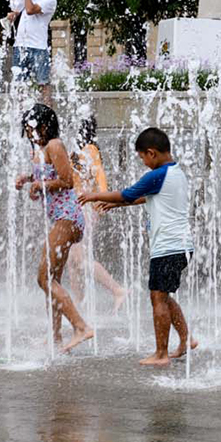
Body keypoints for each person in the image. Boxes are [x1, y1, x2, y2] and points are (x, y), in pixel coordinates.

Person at [81, 127, 198, 366]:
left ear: (151, 153)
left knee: (157, 298)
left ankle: (161, 354)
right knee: (164, 296)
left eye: (142, 157)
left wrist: (95, 196)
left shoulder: (156, 175)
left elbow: (128, 193)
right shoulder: (176, 173)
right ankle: (186, 340)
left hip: (168, 247)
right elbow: (149, 197)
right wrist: (117, 206)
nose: (143, 162)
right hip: (181, 246)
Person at [14, 103, 94, 353]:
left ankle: (81, 327)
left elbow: (67, 180)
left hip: (67, 217)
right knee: (54, 279)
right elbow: (49, 178)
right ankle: (55, 336)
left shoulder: (54, 145)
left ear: (44, 126)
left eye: (31, 128)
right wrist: (30, 181)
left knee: (43, 277)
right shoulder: (41, 150)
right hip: (60, 217)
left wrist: (40, 185)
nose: (28, 133)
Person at [69, 117, 128, 313]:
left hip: (86, 208)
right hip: (77, 208)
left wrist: (103, 197)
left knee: (79, 257)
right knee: (73, 260)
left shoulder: (89, 149)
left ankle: (117, 289)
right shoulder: (76, 152)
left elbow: (100, 174)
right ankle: (78, 305)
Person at [13, 0, 58, 100]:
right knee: (20, 86)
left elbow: (30, 10)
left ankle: (48, 116)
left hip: (38, 47)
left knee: (43, 84)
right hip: (20, 46)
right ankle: (21, 117)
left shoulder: (50, 0)